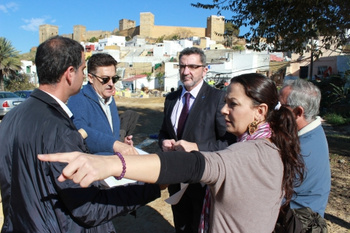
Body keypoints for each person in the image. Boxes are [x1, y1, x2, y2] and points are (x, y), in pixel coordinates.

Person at [39, 73, 305, 233]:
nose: (223, 110)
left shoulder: (249, 154)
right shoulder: (269, 145)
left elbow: (190, 166)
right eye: (225, 102)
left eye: (232, 104)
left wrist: (111, 165)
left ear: (260, 111)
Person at [0, 36, 160, 232]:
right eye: (83, 70)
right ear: (70, 73)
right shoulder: (59, 129)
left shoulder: (11, 117)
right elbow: (89, 208)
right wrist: (152, 187)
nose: (84, 76)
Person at [158, 47, 235, 232]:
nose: (186, 72)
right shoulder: (171, 99)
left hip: (204, 184)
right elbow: (163, 131)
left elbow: (229, 143)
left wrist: (196, 147)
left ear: (205, 69)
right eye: (182, 66)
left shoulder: (218, 99)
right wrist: (163, 142)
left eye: (193, 66)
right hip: (176, 182)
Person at [279, 79, 331, 217]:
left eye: (282, 106)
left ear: (298, 112)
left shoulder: (303, 149)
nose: (277, 111)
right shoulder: (313, 131)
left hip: (295, 222)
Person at [68, 53, 136, 154]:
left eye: (114, 79)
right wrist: (114, 145)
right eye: (105, 79)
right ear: (91, 78)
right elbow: (79, 130)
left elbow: (110, 134)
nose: (111, 84)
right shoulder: (78, 99)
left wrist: (121, 143)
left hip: (114, 163)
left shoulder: (110, 100)